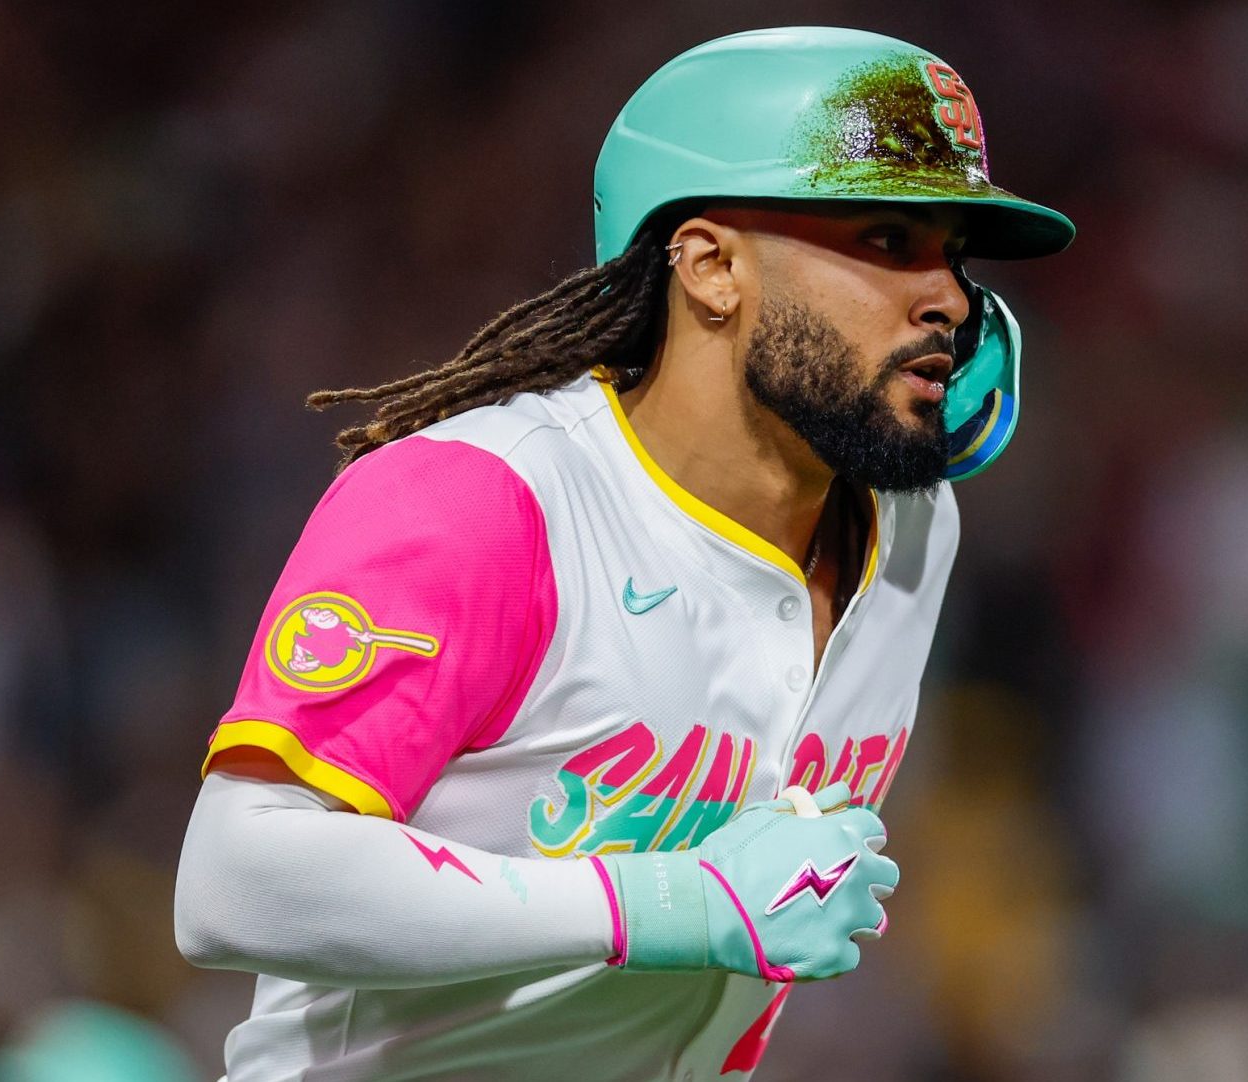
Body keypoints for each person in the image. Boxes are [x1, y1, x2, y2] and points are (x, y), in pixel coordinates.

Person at [174, 25, 1073, 1081]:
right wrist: (675, 901)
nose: (952, 299)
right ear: (711, 268)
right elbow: (234, 879)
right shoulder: (493, 499)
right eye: (887, 240)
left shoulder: (918, 527)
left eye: (954, 255)